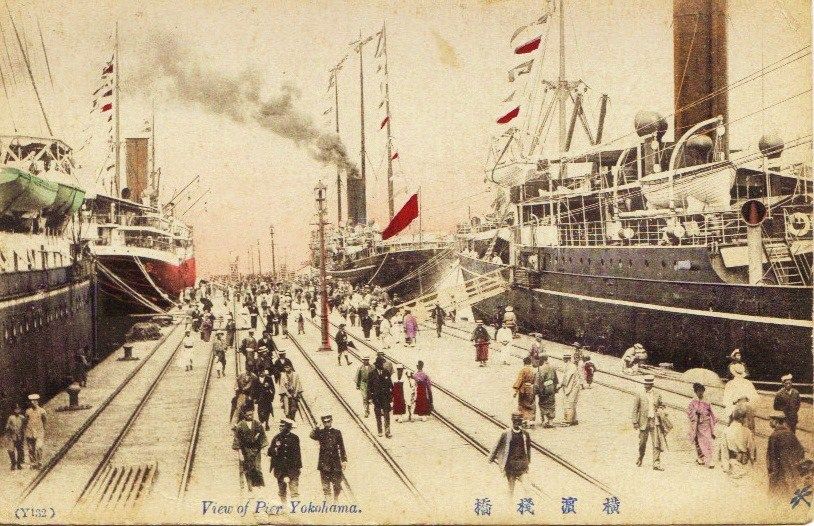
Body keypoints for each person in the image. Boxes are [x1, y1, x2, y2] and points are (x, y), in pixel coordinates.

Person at [489, 412, 531, 496]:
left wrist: (528, 461)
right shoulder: (506, 433)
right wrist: (491, 458)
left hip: (522, 465)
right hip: (510, 466)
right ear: (512, 421)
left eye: (519, 421)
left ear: (521, 421)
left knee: (527, 487)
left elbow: (528, 449)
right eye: (515, 421)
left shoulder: (525, 434)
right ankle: (510, 502)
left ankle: (527, 500)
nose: (517, 423)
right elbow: (497, 446)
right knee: (511, 488)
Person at [766, 410, 805, 496]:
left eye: (771, 420)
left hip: (779, 473)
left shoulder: (774, 436)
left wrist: (771, 472)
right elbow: (801, 451)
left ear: (776, 421)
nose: (769, 422)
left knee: (777, 495)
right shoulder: (790, 434)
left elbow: (771, 457)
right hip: (791, 471)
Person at [310, 415, 347, 501]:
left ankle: (336, 499)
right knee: (326, 486)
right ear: (323, 423)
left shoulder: (337, 432)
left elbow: (342, 447)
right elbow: (312, 436)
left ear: (331, 421)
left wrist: (344, 460)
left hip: (335, 463)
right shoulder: (321, 432)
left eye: (328, 421)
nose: (327, 423)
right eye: (325, 422)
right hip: (324, 463)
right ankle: (329, 502)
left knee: (337, 485)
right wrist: (316, 427)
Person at [632, 375, 665, 470]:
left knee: (656, 442)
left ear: (651, 384)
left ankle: (656, 463)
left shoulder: (657, 394)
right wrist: (635, 421)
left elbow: (662, 405)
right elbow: (635, 409)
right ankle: (640, 457)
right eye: (645, 384)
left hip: (655, 421)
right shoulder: (639, 394)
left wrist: (660, 409)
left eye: (648, 384)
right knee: (642, 443)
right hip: (643, 422)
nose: (646, 386)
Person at [233, 408, 268, 491]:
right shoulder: (240, 425)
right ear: (244, 415)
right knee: (247, 468)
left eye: (251, 414)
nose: (250, 416)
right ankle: (249, 486)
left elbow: (262, 436)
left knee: (257, 467)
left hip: (256, 450)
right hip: (245, 450)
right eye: (248, 415)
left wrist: (263, 448)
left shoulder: (257, 424)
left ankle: (258, 484)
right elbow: (237, 439)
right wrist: (240, 453)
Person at [717, 403, 756, 478]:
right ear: (742, 418)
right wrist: (752, 463)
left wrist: (726, 467)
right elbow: (751, 449)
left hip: (732, 465)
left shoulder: (726, 431)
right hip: (744, 465)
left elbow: (724, 451)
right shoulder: (747, 431)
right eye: (745, 418)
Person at [268, 418, 302, 503]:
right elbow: (269, 452)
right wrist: (274, 449)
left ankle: (295, 508)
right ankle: (284, 507)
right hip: (280, 469)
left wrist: (298, 468)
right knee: (282, 491)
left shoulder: (295, 438)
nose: (280, 427)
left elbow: (297, 454)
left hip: (292, 469)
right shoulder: (276, 437)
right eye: (280, 426)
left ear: (288, 427)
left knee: (294, 491)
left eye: (282, 426)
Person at [687, 382, 716, 468]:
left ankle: (710, 460)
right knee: (697, 440)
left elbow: (712, 413)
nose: (700, 393)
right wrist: (695, 413)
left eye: (701, 391)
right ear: (695, 392)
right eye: (698, 391)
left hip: (705, 424)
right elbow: (689, 412)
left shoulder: (707, 401)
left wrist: (712, 420)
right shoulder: (693, 401)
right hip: (696, 423)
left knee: (707, 441)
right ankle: (700, 458)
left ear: (703, 391)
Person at [368, 357, 393, 437]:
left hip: (385, 397)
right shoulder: (372, 374)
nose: (382, 365)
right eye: (381, 364)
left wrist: (392, 395)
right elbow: (369, 387)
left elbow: (390, 384)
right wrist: (370, 398)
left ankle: (387, 431)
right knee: (378, 415)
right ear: (377, 365)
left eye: (382, 363)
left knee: (387, 415)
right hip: (376, 398)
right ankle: (380, 430)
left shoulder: (386, 372)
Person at [23, 394, 46, 469]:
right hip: (30, 432)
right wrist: (25, 430)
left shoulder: (42, 411)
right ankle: (33, 463)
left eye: (34, 401)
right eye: (31, 401)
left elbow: (44, 420)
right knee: (31, 449)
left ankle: (39, 462)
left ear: (37, 401)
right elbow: (25, 421)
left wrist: (43, 429)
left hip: (39, 432)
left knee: (39, 447)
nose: (33, 402)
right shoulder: (28, 411)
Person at [534, 354, 558, 428]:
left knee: (543, 403)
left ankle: (544, 421)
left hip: (544, 388)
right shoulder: (552, 367)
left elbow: (539, 380)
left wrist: (537, 390)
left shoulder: (541, 368)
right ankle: (550, 422)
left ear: (542, 359)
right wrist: (555, 388)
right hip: (551, 387)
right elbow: (556, 379)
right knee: (551, 403)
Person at [513, 357, 537, 427]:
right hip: (531, 389)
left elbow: (519, 380)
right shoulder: (534, 370)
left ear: (524, 363)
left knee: (523, 404)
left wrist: (515, 391)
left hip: (523, 389)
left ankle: (525, 420)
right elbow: (536, 381)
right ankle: (531, 420)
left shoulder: (523, 370)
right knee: (531, 404)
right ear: (530, 362)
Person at [560, 353, 581, 426]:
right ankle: (574, 419)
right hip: (574, 386)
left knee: (569, 403)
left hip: (572, 387)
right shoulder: (571, 365)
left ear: (566, 359)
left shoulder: (570, 366)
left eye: (564, 358)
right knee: (572, 403)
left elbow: (567, 378)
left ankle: (568, 421)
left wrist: (560, 385)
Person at [4, 403, 24, 470]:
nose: (17, 410)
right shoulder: (11, 417)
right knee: (11, 450)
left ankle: (19, 464)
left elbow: (25, 425)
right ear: (13, 410)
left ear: (20, 410)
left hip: (20, 436)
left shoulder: (22, 417)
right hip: (12, 436)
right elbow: (7, 427)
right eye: (15, 409)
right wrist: (11, 428)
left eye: (18, 409)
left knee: (20, 450)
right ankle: (13, 463)